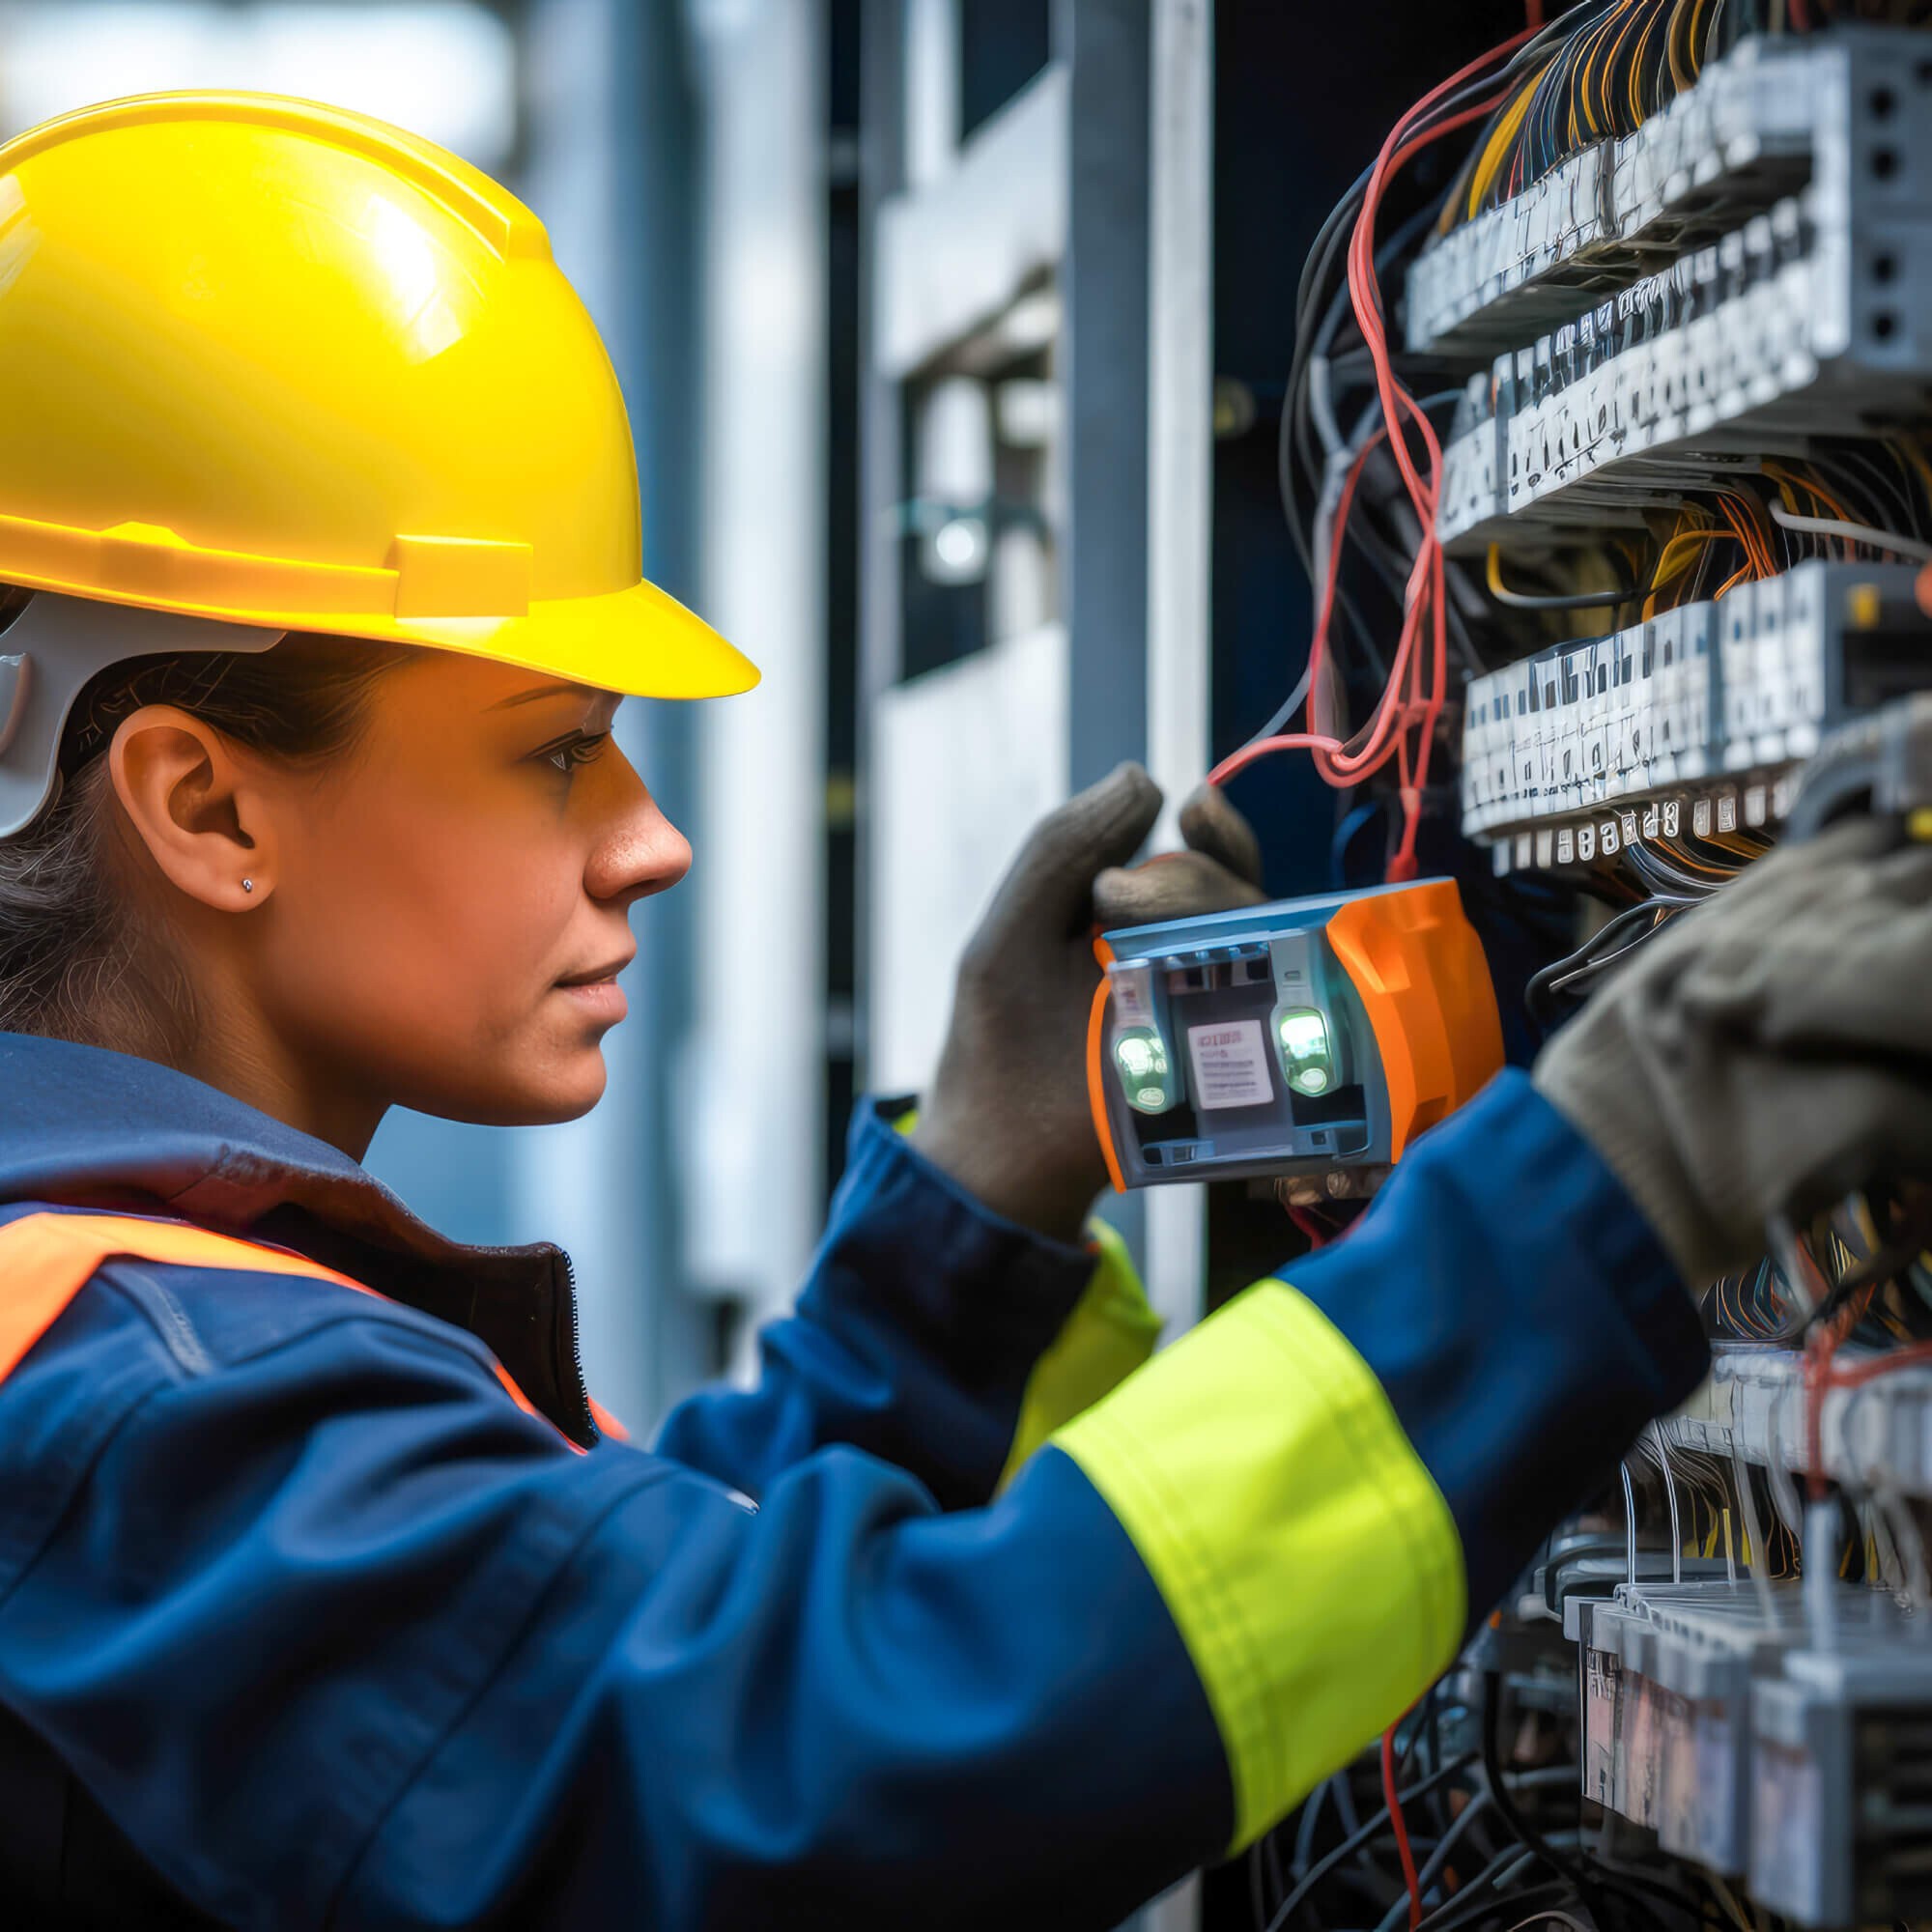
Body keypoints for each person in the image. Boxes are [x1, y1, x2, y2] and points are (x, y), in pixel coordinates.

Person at [4, 90, 1932, 1932]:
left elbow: (601, 1640)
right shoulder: (146, 1395)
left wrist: (971, 1222)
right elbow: (811, 1777)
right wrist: (1608, 1175)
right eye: (557, 751)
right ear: (208, 804)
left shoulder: (147, 1348)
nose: (648, 841)